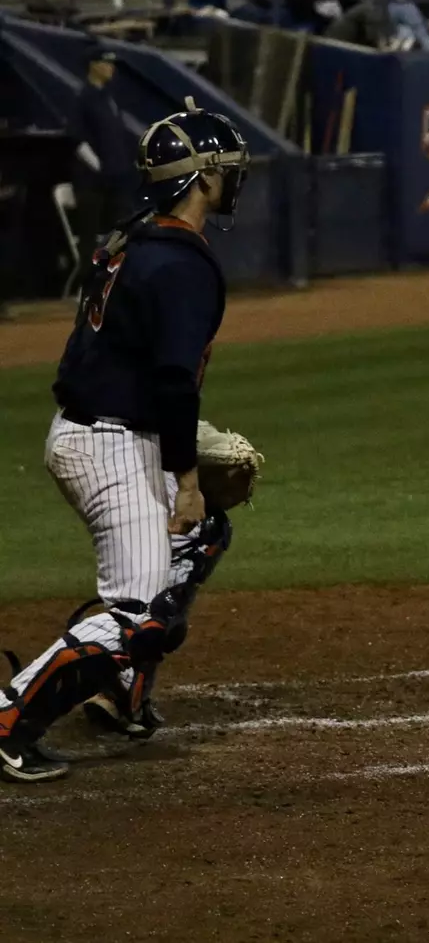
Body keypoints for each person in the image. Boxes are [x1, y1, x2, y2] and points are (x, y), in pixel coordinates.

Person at [0, 101, 249, 784]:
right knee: (139, 614)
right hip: (106, 444)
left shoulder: (136, 239)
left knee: (197, 540)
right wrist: (188, 479)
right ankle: (9, 720)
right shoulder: (180, 265)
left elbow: (117, 364)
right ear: (200, 180)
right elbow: (173, 380)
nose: (234, 179)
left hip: (103, 427)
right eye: (225, 170)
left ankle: (120, 690)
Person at [66, 48, 136, 289]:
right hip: (91, 182)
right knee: (89, 236)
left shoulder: (109, 97)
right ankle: (89, 288)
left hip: (117, 178)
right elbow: (76, 140)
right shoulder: (83, 97)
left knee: (120, 232)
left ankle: (118, 284)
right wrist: (100, 167)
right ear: (93, 65)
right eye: (106, 63)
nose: (111, 68)